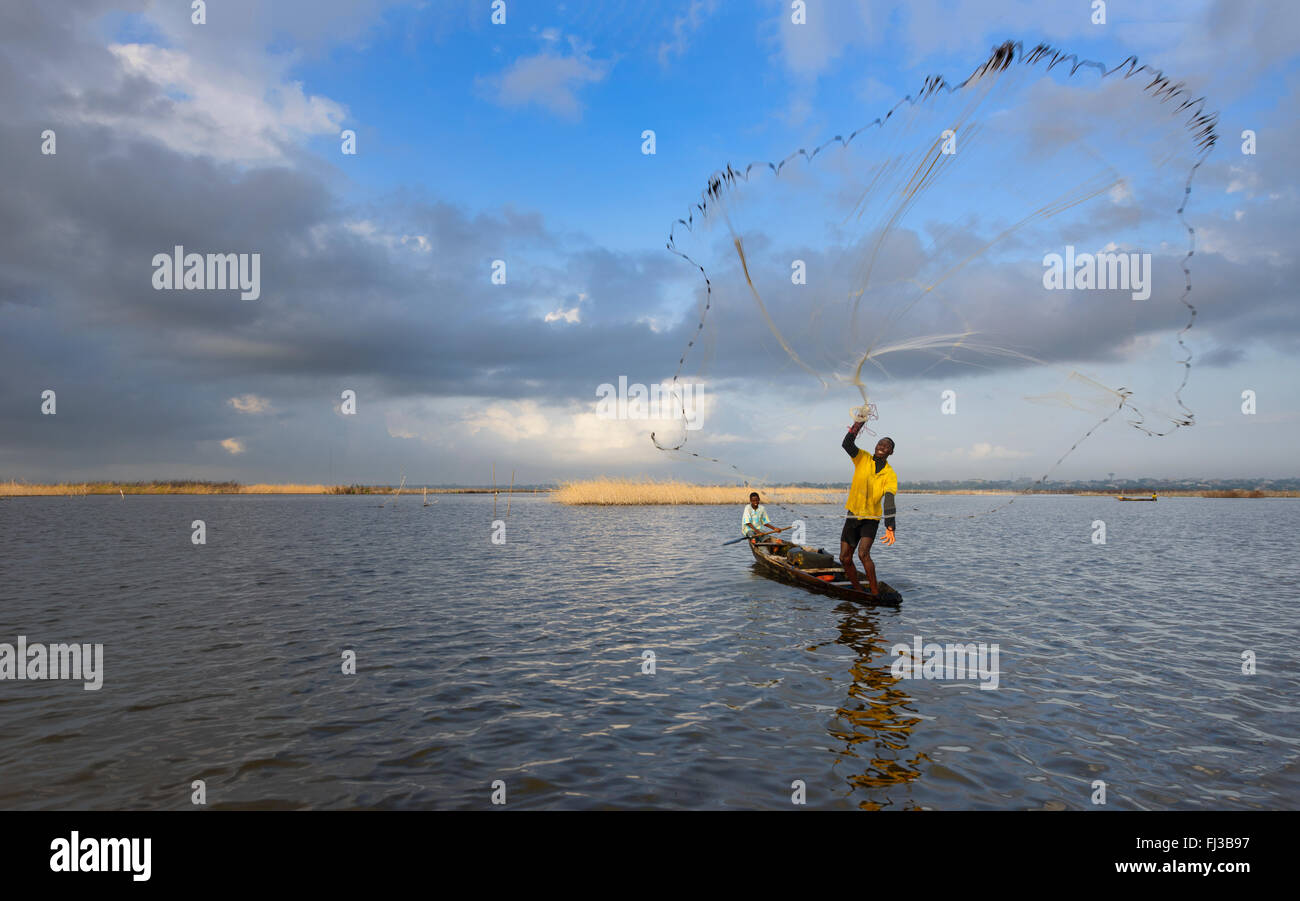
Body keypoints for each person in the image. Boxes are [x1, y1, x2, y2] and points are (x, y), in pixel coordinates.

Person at [839, 421, 897, 596]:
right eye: (880, 443)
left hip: (871, 519)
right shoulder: (862, 458)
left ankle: (874, 593)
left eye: (886, 446)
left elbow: (889, 500)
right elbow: (846, 444)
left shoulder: (890, 474)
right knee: (844, 558)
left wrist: (890, 526)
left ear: (891, 452)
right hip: (853, 514)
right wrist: (859, 422)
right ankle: (857, 589)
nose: (882, 446)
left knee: (863, 554)